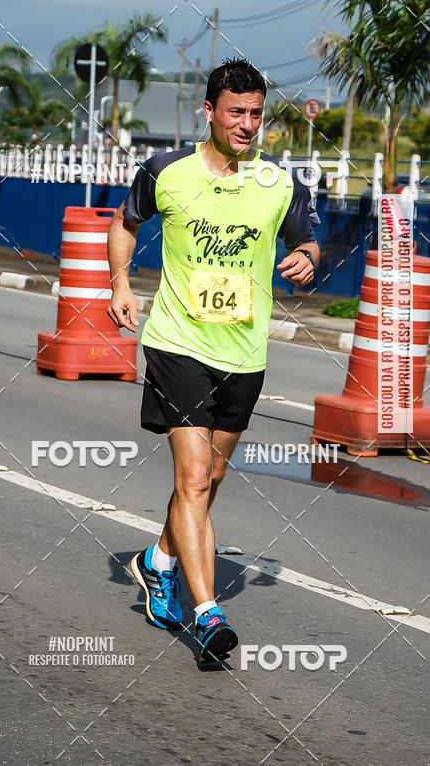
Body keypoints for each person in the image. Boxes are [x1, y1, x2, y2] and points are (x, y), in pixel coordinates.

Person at [107, 58, 320, 665]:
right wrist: (121, 285)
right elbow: (125, 224)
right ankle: (206, 615)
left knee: (211, 481)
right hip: (177, 343)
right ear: (210, 112)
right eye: (237, 112)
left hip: (245, 352)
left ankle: (158, 562)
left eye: (256, 113)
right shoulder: (166, 171)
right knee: (193, 478)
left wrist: (307, 257)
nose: (248, 124)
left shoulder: (280, 186)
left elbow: (306, 238)